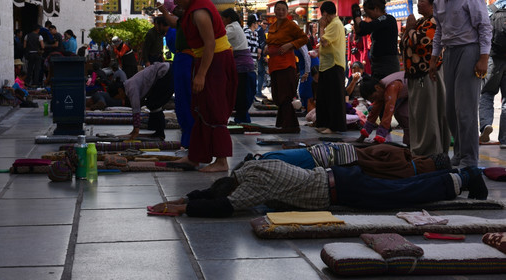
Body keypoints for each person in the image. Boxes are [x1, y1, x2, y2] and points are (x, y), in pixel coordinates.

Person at [148, 159, 487, 217]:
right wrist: (185, 198)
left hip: (341, 190)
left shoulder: (252, 188)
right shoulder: (249, 166)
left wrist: (184, 207)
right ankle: (462, 175)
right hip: (339, 175)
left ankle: (463, 179)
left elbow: (223, 206)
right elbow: (218, 193)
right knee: (402, 186)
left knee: (404, 194)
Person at [428, 0, 492, 168]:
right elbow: (439, 31)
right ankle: (460, 152)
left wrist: (483, 58)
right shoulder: (439, 1)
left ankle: (470, 158)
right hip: (450, 53)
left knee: (465, 109)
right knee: (451, 110)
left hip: (470, 50)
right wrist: (433, 57)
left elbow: (484, 26)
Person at [169, 0, 237, 172]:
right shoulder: (194, 6)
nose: (175, 2)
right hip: (206, 59)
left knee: (215, 109)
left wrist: (201, 75)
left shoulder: (199, 12)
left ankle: (222, 161)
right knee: (199, 108)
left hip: (216, 60)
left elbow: (210, 44)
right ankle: (195, 156)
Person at [401, 0, 450, 157]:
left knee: (429, 113)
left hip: (428, 73)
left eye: (422, 1)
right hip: (416, 74)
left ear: (432, 4)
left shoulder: (434, 21)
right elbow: (405, 43)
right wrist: (410, 30)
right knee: (419, 114)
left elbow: (421, 44)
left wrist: (409, 29)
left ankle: (430, 150)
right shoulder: (422, 21)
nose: (418, 4)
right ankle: (419, 148)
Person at [249, 142, 452, 179]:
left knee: (274, 159)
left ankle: (256, 163)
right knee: (285, 164)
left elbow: (374, 150)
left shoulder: (401, 155)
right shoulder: (409, 176)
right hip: (337, 168)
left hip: (335, 155)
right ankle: (257, 164)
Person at [265, 1, 308, 131]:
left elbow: (304, 38)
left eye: (283, 9)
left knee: (285, 95)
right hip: (274, 64)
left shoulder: (290, 26)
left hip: (286, 64)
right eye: (278, 9)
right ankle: (283, 122)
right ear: (275, 11)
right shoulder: (272, 26)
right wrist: (267, 48)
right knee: (277, 95)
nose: (280, 12)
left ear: (287, 11)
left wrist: (290, 45)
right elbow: (270, 42)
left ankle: (291, 125)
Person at [158, 3, 194, 149]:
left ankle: (191, 140)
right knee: (182, 102)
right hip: (182, 62)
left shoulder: (193, 18)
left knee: (187, 101)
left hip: (187, 62)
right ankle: (188, 139)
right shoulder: (179, 25)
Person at [479, 0, 506, 147]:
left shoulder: (488, 10)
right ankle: (504, 139)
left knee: (487, 94)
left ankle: (486, 125)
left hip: (492, 60)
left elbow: (480, 34)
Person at [315, 1, 347, 133]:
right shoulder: (333, 25)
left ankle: (334, 126)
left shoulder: (335, 24)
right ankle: (324, 123)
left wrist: (321, 28)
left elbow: (325, 41)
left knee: (334, 97)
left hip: (334, 64)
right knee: (324, 96)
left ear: (325, 14)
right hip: (327, 65)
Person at [220, 8, 256, 124]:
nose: (222, 21)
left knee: (241, 96)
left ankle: (243, 122)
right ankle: (242, 121)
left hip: (242, 67)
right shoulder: (236, 27)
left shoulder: (232, 28)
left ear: (228, 19)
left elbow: (219, 38)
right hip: (243, 66)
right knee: (241, 96)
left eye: (223, 19)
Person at [122, 62, 174, 140]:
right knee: (152, 102)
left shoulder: (131, 88)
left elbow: (136, 109)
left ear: (119, 91)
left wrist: (136, 130)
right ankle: (159, 131)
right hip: (165, 71)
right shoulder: (129, 84)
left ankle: (159, 132)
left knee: (154, 103)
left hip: (165, 72)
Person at [353, 0, 400, 80]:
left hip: (387, 64)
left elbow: (366, 27)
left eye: (369, 13)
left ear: (376, 9)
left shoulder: (387, 18)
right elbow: (360, 32)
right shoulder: (378, 22)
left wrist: (357, 17)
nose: (368, 16)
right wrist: (355, 17)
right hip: (377, 64)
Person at [358, 72, 409, 145]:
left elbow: (388, 114)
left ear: (377, 88)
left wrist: (379, 137)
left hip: (419, 89)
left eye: (374, 98)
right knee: (401, 113)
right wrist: (363, 135)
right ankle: (410, 143)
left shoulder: (391, 87)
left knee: (404, 114)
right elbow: (373, 113)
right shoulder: (380, 89)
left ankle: (413, 143)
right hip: (408, 93)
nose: (374, 100)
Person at [256, 18, 269, 98]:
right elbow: (261, 45)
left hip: (260, 55)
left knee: (261, 73)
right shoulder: (260, 31)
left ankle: (258, 91)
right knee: (261, 73)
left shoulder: (261, 31)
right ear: (260, 23)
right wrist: (264, 56)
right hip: (260, 56)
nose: (265, 25)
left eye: (267, 24)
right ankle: (258, 92)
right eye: (264, 23)